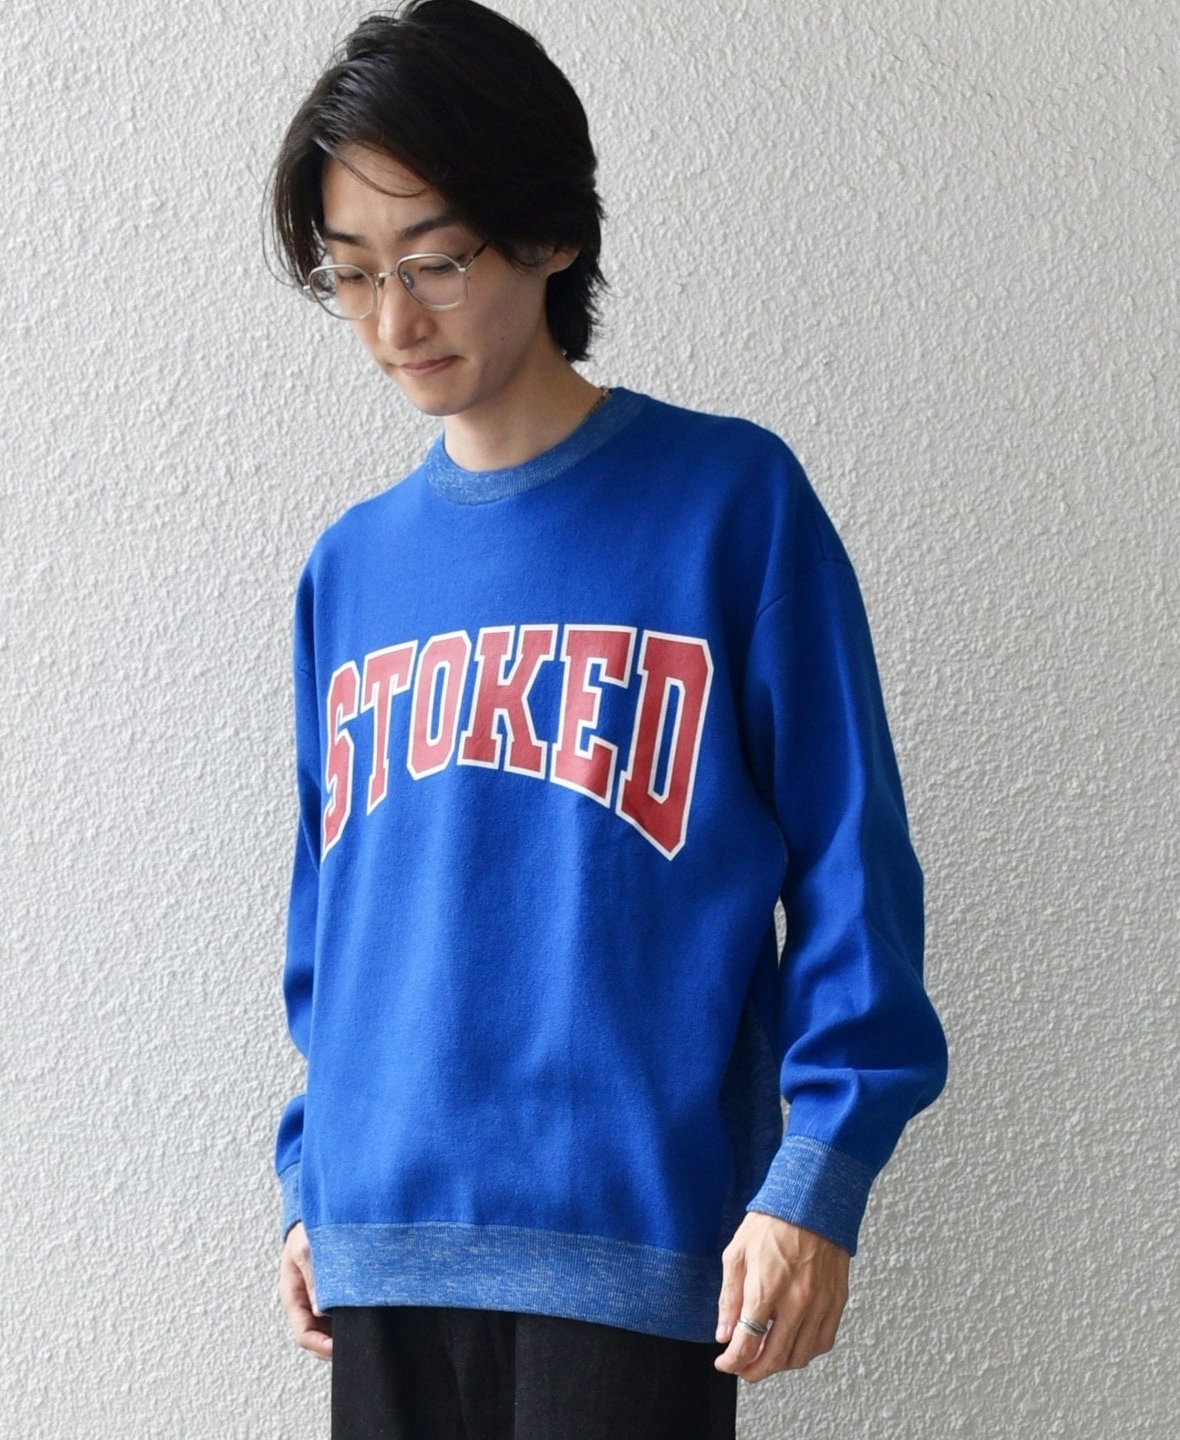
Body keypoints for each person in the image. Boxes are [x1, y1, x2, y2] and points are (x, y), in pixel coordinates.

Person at [268, 2, 948, 1436]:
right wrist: (308, 1181)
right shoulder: (348, 569)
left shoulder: (732, 508)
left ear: (550, 233)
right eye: (354, 272)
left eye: (435, 261)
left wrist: (818, 1176)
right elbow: (334, 923)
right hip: (378, 1252)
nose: (394, 322)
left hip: (634, 1252)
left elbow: (852, 866)